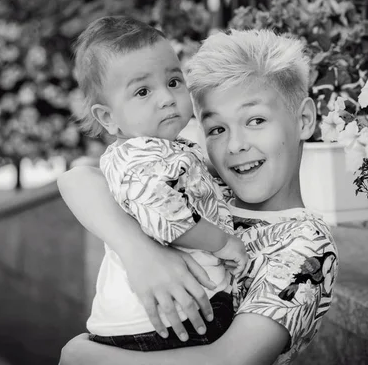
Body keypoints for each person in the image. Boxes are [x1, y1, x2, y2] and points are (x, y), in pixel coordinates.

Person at [58, 28, 339, 365]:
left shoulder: (306, 245)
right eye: (217, 129)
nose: (235, 145)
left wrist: (83, 356)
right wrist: (140, 253)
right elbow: (77, 179)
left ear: (304, 119)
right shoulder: (207, 179)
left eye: (256, 120)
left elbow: (230, 360)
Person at [69, 15, 249, 351]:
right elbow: (169, 216)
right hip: (166, 314)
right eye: (142, 91)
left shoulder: (162, 147)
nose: (166, 98)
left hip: (173, 309)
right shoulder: (138, 159)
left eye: (173, 82)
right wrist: (223, 243)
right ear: (108, 118)